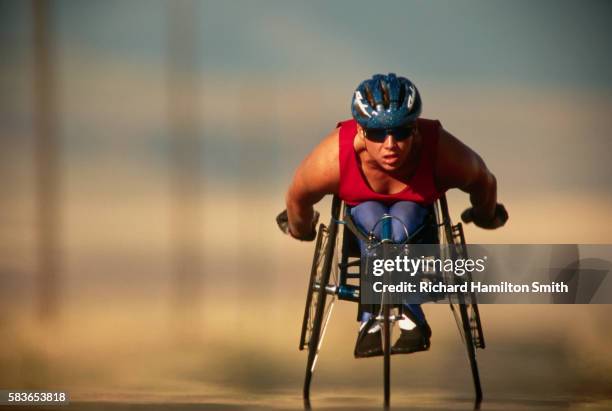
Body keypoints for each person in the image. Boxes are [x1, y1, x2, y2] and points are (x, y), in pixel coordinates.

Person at [278, 73, 508, 358]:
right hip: (362, 219)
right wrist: (301, 229)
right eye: (376, 132)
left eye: (400, 132)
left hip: (417, 220)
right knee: (376, 223)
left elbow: (484, 181)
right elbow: (297, 197)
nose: (390, 144)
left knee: (401, 224)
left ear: (416, 130)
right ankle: (393, 319)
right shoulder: (332, 159)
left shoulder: (441, 151)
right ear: (361, 131)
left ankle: (390, 318)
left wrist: (485, 214)